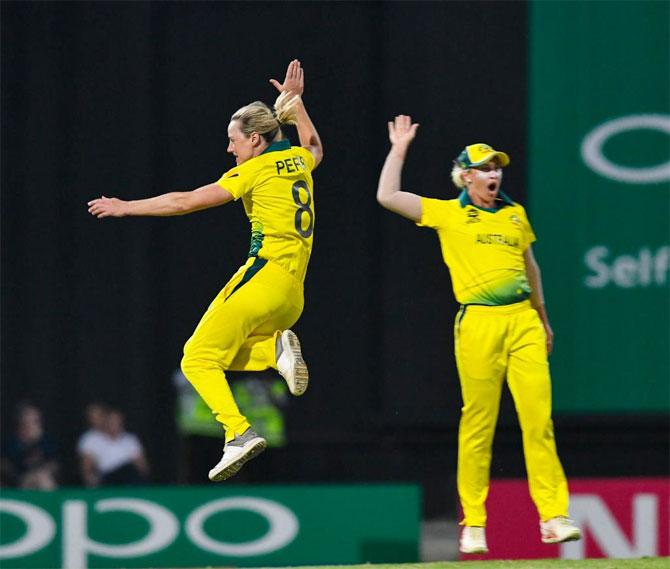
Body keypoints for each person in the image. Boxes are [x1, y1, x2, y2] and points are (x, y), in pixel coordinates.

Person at [88, 59, 323, 482]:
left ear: (254, 139)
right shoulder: (296, 162)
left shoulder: (254, 169)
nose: (230, 149)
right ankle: (273, 351)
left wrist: (127, 207)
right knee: (223, 355)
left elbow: (187, 201)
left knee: (195, 358)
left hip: (263, 275)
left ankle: (237, 432)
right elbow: (315, 148)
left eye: (234, 140)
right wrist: (297, 105)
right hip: (292, 294)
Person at [376, 115, 581, 554]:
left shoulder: (514, 214)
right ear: (465, 176)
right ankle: (473, 522)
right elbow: (387, 196)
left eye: (497, 168)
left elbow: (532, 268)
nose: (494, 174)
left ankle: (553, 516)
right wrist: (399, 148)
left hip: (522, 320)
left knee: (538, 421)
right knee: (478, 425)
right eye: (485, 168)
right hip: (478, 322)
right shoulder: (449, 214)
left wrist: (542, 317)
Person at [78, 407, 150, 486]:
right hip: (106, 477)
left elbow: (142, 466)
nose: (115, 424)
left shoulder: (130, 439)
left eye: (117, 421)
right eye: (111, 421)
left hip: (129, 476)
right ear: (106, 422)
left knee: (129, 470)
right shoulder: (93, 439)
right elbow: (87, 467)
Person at [0, 402, 59, 489]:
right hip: (16, 480)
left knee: (44, 480)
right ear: (23, 423)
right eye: (35, 421)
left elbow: (55, 463)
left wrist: (42, 471)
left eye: (38, 420)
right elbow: (4, 464)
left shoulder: (45, 441)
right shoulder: (10, 441)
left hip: (40, 476)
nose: (38, 424)